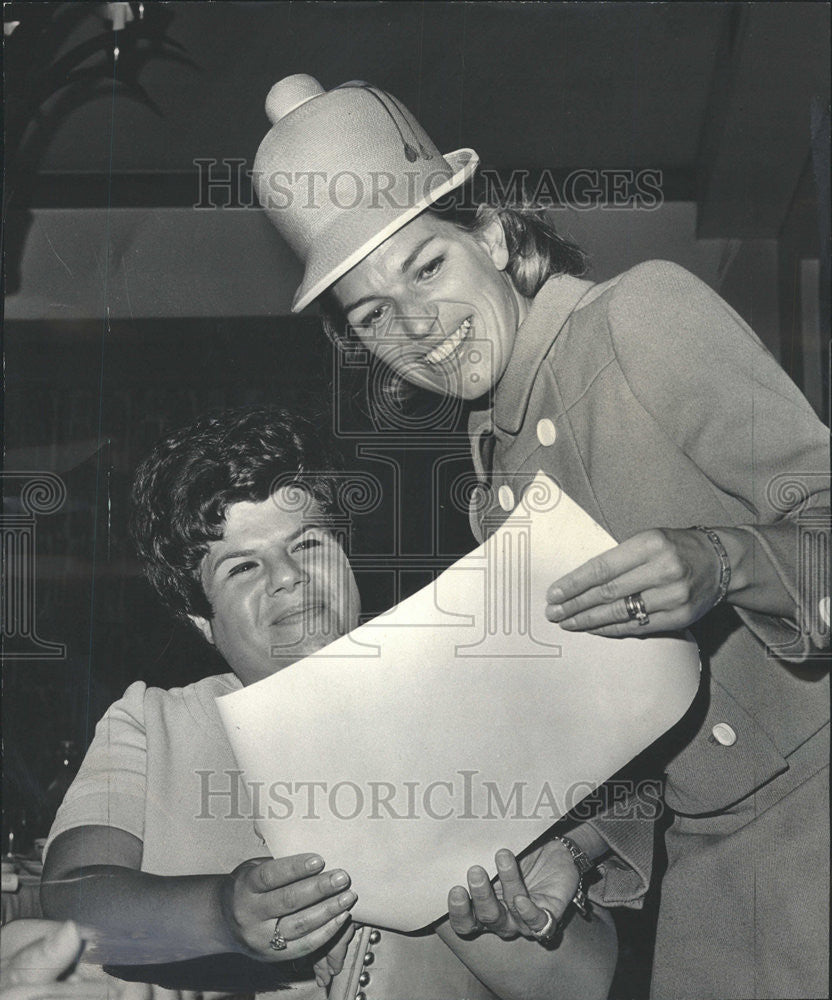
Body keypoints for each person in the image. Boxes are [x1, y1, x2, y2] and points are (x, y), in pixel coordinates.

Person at [251, 75, 830, 999]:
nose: (417, 326)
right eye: (369, 313)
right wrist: (581, 852)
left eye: (427, 267)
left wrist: (727, 560)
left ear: (490, 234)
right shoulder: (492, 482)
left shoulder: (639, 316)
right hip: (709, 872)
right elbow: (647, 720)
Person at [40, 406, 616, 1000]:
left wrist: (446, 884)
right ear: (200, 619)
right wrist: (222, 915)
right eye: (242, 566)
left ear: (346, 555)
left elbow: (586, 981)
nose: (287, 576)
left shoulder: (474, 712)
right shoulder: (154, 721)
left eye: (307, 542)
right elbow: (70, 903)